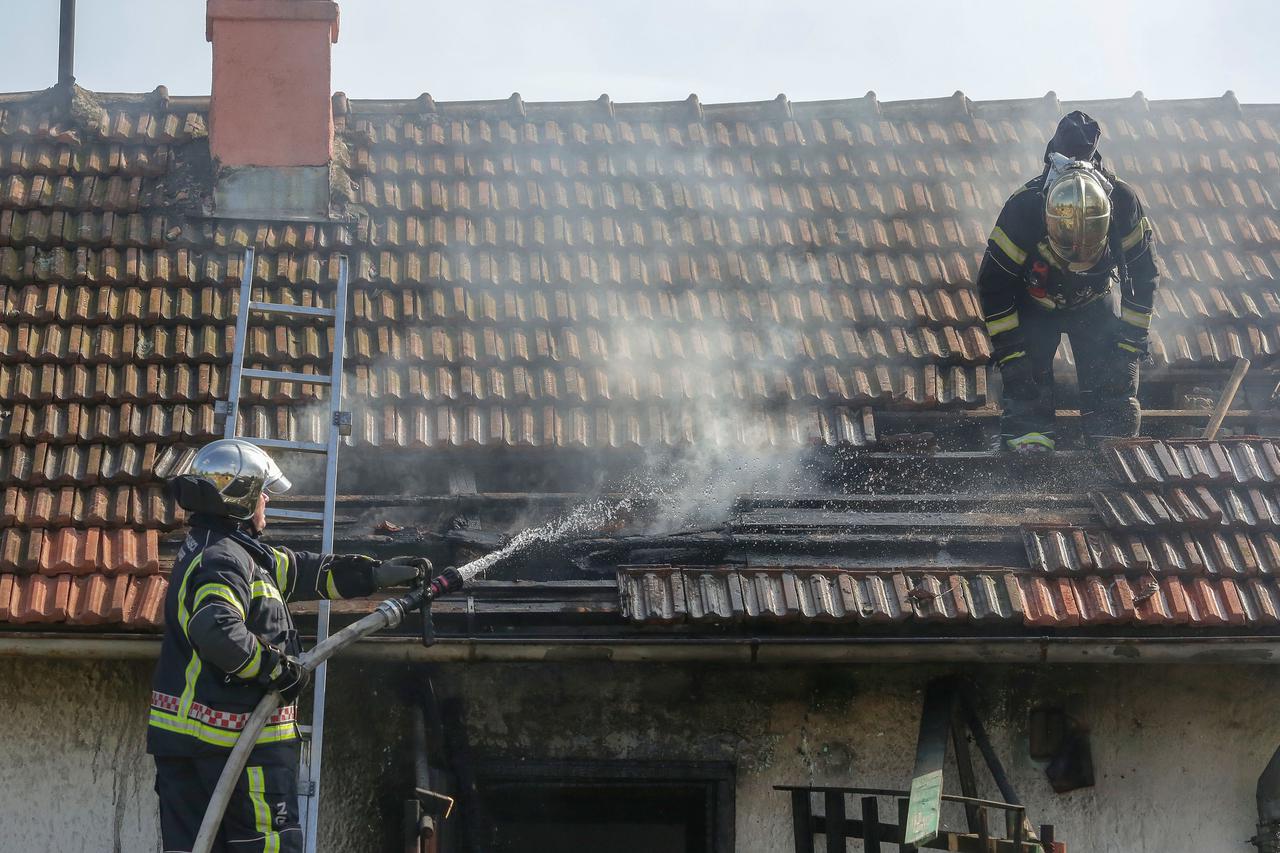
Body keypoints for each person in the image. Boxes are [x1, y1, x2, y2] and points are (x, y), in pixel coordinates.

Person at [148, 438, 428, 852]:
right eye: (261, 492)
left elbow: (301, 571)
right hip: (241, 748)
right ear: (238, 499)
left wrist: (375, 574)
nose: (266, 501)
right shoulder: (223, 561)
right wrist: (277, 669)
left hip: (200, 748)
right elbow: (216, 629)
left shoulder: (225, 550)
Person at [977, 110, 1161, 452]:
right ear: (1050, 215)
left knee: (1114, 391)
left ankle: (1110, 453)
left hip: (1095, 301)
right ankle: (1028, 455)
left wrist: (1130, 347)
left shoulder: (1123, 202)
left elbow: (1144, 274)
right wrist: (1011, 353)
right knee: (1025, 388)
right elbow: (993, 285)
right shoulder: (1024, 208)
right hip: (1035, 303)